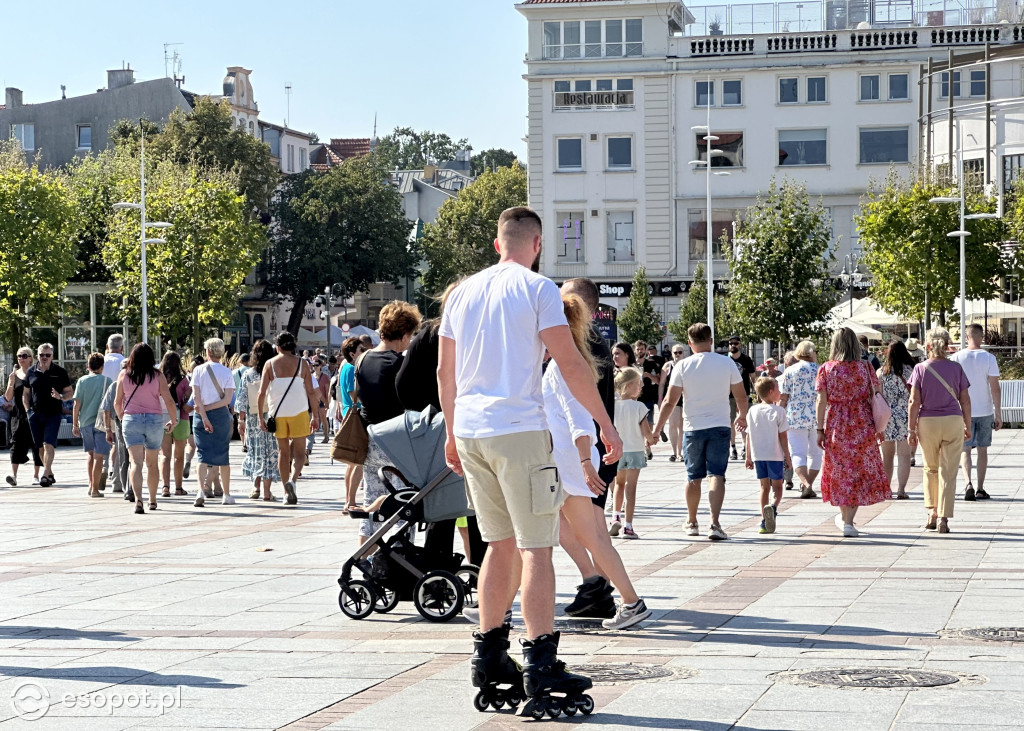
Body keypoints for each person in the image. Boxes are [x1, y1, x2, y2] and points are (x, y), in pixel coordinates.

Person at [438, 207, 621, 716]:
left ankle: (490, 655)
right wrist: (606, 426)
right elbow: (570, 363)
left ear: (498, 244)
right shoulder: (538, 289)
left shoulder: (461, 293)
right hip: (518, 426)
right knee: (536, 546)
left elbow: (443, 373)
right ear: (537, 245)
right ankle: (541, 663)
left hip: (473, 430)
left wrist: (452, 433)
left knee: (497, 544)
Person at [546, 294, 650, 629]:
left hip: (571, 460)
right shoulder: (564, 358)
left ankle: (631, 601)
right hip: (567, 459)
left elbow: (577, 418)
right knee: (567, 530)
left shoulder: (563, 363)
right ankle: (618, 595)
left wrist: (585, 463)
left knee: (592, 537)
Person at [559, 277, 620, 621]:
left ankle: (605, 589)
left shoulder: (583, 341)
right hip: (591, 446)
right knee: (579, 524)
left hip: (588, 448)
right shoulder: (593, 340)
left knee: (592, 528)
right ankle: (597, 586)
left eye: (564, 298)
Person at [652, 323, 748, 542]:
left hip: (693, 428)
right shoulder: (727, 363)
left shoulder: (683, 365)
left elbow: (669, 401)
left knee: (693, 476)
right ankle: (714, 523)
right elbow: (741, 395)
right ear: (711, 340)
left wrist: (657, 430)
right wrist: (741, 415)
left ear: (689, 343)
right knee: (717, 475)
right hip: (720, 425)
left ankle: (692, 521)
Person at [356, 301, 422, 544]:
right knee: (403, 505)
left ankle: (365, 561)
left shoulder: (361, 360)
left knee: (370, 505)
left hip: (369, 441)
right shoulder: (399, 364)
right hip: (397, 445)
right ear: (404, 335)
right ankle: (397, 560)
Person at [814, 327, 891, 537]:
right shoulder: (865, 367)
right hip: (862, 424)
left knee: (840, 471)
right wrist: (879, 426)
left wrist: (819, 429)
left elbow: (821, 401)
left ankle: (845, 519)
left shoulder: (826, 369)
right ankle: (849, 521)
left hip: (836, 425)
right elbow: (876, 395)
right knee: (858, 470)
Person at [908, 327, 972, 534]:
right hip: (953, 420)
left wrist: (911, 429)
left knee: (930, 468)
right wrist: (968, 425)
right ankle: (944, 517)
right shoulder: (956, 369)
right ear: (947, 346)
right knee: (949, 471)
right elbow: (965, 400)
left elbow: (913, 401)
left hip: (928, 422)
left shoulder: (920, 368)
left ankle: (932, 512)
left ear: (927, 346)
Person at [258, 332, 321, 506]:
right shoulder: (302, 364)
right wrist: (315, 415)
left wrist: (260, 418)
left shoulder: (269, 365)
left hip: (277, 414)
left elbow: (261, 393)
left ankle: (286, 493)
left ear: (277, 347)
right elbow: (310, 392)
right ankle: (293, 480)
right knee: (300, 453)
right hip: (299, 412)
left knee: (283, 453)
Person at [114, 343, 178, 514]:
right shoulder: (157, 376)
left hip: (131, 419)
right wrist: (174, 420)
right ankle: (153, 500)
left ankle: (138, 501)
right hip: (154, 420)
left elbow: (117, 402)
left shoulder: (124, 375)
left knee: (135, 462)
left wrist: (123, 418)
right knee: (152, 463)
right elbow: (169, 400)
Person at [952, 323, 1002, 500]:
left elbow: (953, 387)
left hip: (962, 411)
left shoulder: (956, 357)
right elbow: (995, 388)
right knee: (982, 450)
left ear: (966, 337)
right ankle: (980, 487)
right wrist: (999, 413)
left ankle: (968, 483)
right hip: (985, 410)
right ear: (982, 337)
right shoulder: (989, 358)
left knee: (965, 450)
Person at [191, 338, 236, 508]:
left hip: (200, 415)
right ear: (222, 352)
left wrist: (203, 414)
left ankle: (200, 491)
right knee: (223, 455)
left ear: (207, 352)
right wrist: (210, 408)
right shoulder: (227, 372)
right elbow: (227, 399)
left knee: (202, 455)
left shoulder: (198, 371)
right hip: (220, 416)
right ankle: (226, 494)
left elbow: (195, 397)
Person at [608, 369, 653, 539]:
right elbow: (646, 431)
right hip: (635, 451)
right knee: (631, 488)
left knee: (618, 485)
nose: (641, 387)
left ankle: (615, 517)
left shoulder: (612, 407)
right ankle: (628, 526)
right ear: (628, 386)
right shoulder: (639, 407)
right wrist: (651, 439)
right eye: (638, 384)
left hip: (619, 450)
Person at [744, 377, 790, 535]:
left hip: (758, 455)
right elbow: (783, 437)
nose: (780, 393)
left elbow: (748, 435)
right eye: (778, 390)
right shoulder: (779, 411)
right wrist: (788, 458)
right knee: (778, 488)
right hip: (775, 455)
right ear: (771, 392)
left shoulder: (752, 410)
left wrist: (748, 456)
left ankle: (764, 521)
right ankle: (773, 508)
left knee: (764, 487)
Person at [23, 344, 73, 487]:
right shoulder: (31, 372)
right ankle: (49, 472)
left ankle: (45, 475)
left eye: (48, 355)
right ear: (37, 356)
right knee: (40, 447)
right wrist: (28, 411)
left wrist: (61, 397)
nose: (44, 358)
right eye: (41, 355)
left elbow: (70, 392)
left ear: (52, 356)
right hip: (35, 414)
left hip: (53, 414)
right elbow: (25, 394)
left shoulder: (59, 372)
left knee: (48, 443)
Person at [237, 340, 281, 501]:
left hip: (254, 419)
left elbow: (241, 400)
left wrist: (240, 420)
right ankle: (267, 492)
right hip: (272, 417)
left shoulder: (248, 374)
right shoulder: (274, 372)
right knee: (270, 453)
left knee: (255, 452)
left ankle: (255, 487)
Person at [779, 340, 822, 499]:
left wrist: (779, 413)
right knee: (816, 454)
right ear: (811, 352)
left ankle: (806, 484)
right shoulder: (819, 370)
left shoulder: (790, 371)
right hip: (817, 416)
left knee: (797, 452)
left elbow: (784, 397)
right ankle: (807, 484)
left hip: (795, 416)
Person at [878, 340, 917, 500]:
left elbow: (877, 397)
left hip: (886, 417)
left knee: (887, 456)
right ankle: (901, 489)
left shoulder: (881, 372)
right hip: (906, 417)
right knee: (904, 456)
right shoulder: (912, 371)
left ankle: (887, 489)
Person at [72, 353, 112, 498]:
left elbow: (77, 404)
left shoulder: (81, 381)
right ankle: (95, 489)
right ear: (102, 366)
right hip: (101, 424)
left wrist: (75, 423)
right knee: (99, 456)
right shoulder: (107, 381)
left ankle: (90, 484)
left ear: (88, 366)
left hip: (85, 422)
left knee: (90, 454)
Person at [335, 337, 367, 511]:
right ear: (352, 353)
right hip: (356, 414)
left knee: (353, 462)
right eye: (362, 350)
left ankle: (349, 500)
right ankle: (351, 500)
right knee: (358, 460)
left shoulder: (350, 367)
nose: (365, 352)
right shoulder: (349, 368)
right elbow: (352, 392)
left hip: (352, 412)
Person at [4, 348, 43, 487]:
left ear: (31, 358)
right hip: (18, 415)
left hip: (34, 413)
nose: (21, 358)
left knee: (36, 444)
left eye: (24, 356)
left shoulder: (35, 373)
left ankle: (36, 475)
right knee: (15, 444)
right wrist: (10, 382)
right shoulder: (14, 375)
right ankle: (13, 475)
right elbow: (8, 398)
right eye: (19, 356)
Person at [158, 352, 191, 498]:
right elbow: (189, 399)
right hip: (181, 419)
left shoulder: (158, 378)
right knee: (179, 455)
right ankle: (178, 487)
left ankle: (165, 486)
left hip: (162, 418)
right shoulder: (183, 380)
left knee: (165, 454)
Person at [99, 361, 130, 497]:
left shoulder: (114, 385)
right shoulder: (137, 382)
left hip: (120, 422)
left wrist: (107, 429)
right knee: (132, 456)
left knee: (121, 454)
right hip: (131, 421)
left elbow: (106, 409)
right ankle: (127, 485)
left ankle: (119, 483)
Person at [102, 334, 126, 489]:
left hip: (101, 407)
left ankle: (103, 466)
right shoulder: (124, 363)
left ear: (107, 347)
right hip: (119, 407)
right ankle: (115, 476)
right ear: (122, 348)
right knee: (118, 444)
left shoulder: (100, 361)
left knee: (102, 440)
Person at [727, 335, 756, 460]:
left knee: (745, 421)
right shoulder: (725, 360)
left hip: (744, 395)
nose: (733, 345)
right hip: (728, 396)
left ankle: (745, 446)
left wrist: (757, 393)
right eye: (731, 343)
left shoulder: (747, 359)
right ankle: (733, 448)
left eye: (736, 343)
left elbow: (753, 378)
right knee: (730, 422)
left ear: (740, 344)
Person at [659, 345, 686, 463]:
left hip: (684, 397)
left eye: (680, 352)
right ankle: (674, 452)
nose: (678, 354)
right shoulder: (667, 366)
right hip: (672, 396)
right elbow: (661, 384)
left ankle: (680, 453)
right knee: (673, 424)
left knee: (682, 426)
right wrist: (660, 399)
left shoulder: (686, 364)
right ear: (672, 353)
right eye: (675, 352)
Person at [232, 352, 251, 449]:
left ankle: (243, 442)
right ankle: (247, 442)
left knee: (241, 421)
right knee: (248, 422)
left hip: (238, 400)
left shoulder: (234, 372)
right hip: (251, 400)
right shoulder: (251, 371)